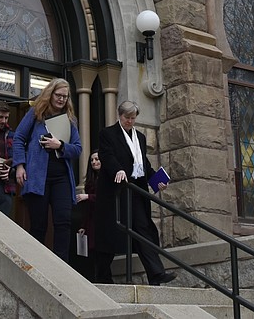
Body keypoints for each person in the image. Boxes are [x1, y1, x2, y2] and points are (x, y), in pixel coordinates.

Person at [93, 100, 175, 285]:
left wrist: (156, 180)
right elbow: (107, 155)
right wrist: (117, 170)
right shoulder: (108, 134)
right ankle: (103, 277)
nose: (130, 121)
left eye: (133, 118)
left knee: (143, 230)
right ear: (119, 116)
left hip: (135, 192)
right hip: (115, 192)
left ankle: (156, 274)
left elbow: (143, 164)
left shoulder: (140, 137)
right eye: (126, 117)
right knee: (109, 234)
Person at [12, 78, 82, 260]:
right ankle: (38, 264)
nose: (61, 100)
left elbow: (78, 148)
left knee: (63, 222)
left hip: (62, 178)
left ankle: (62, 265)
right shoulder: (36, 114)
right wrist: (20, 165)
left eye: (65, 97)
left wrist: (59, 145)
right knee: (38, 225)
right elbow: (18, 138)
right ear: (50, 94)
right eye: (58, 95)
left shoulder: (70, 119)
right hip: (37, 177)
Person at [71, 150, 101, 280]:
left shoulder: (106, 179)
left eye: (97, 159)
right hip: (91, 220)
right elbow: (87, 209)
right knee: (91, 252)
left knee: (101, 251)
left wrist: (87, 196)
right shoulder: (90, 181)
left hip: (102, 220)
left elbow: (105, 199)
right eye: (92, 160)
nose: (94, 162)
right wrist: (83, 225)